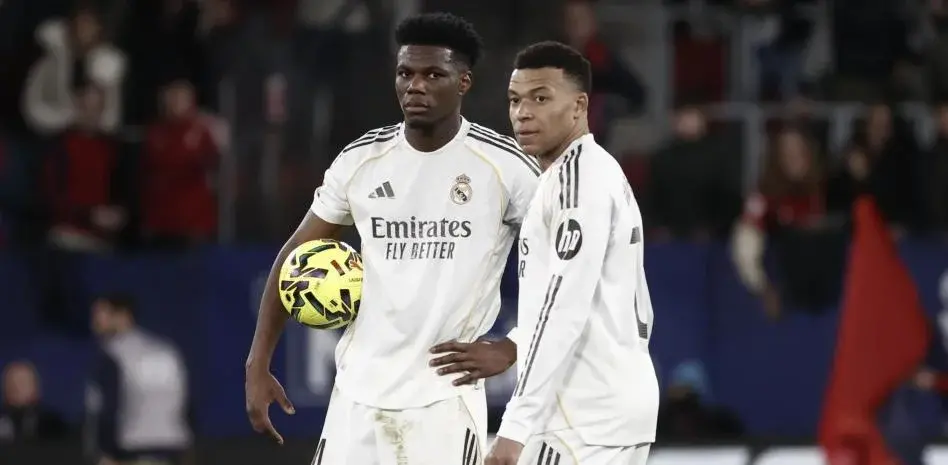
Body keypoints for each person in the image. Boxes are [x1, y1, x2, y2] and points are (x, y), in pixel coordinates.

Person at [244, 13, 540, 464]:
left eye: (433, 75)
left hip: (443, 401)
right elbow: (294, 256)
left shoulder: (505, 166)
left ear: (463, 82)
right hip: (355, 397)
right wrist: (257, 362)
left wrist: (514, 346)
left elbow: (567, 268)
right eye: (406, 73)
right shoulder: (361, 160)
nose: (415, 86)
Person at [486, 41, 659, 465]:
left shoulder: (576, 181)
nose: (523, 112)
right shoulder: (590, 172)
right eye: (515, 100)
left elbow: (564, 305)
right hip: (607, 408)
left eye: (541, 98)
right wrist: (515, 343)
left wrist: (515, 426)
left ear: (580, 106)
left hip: (580, 416)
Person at [86, 295, 192, 465]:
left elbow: (109, 407)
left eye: (101, 314)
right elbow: (186, 402)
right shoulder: (166, 350)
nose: (95, 322)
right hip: (173, 448)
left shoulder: (114, 354)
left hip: (131, 450)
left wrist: (105, 452)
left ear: (123, 315)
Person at [0, 360, 69, 442]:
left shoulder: (53, 424)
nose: (16, 387)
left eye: (22, 383)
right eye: (12, 382)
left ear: (35, 388)